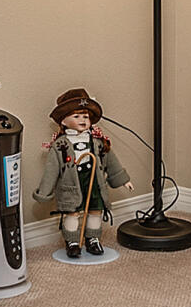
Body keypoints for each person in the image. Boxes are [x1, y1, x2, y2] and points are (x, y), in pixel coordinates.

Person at [32, 88, 130, 262]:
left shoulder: (97, 142)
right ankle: (72, 242)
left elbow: (111, 161)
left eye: (85, 116)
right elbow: (51, 170)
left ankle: (93, 239)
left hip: (95, 182)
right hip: (71, 184)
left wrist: (123, 180)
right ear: (64, 120)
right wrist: (44, 193)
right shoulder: (60, 145)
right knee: (72, 213)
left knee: (95, 211)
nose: (82, 120)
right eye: (76, 116)